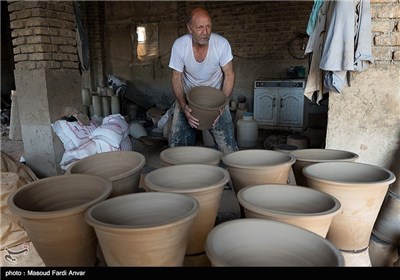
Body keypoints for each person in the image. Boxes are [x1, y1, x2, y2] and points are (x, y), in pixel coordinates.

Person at [168, 7, 239, 155]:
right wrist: (183, 106)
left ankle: (229, 176)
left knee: (230, 151)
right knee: (176, 151)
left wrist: (221, 105)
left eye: (208, 27)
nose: (205, 32)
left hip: (216, 100)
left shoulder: (221, 44)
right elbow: (176, 77)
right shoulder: (180, 46)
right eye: (200, 27)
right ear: (189, 28)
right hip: (188, 101)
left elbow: (229, 75)